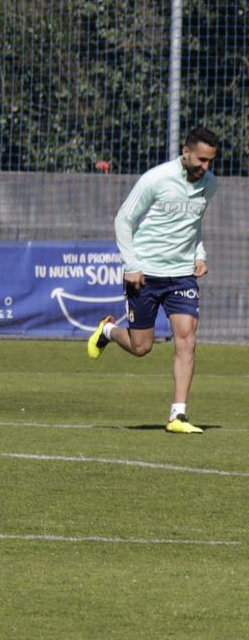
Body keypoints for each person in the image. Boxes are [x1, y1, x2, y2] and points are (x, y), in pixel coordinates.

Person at [87, 126, 220, 434]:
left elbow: (194, 224)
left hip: (182, 275)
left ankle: (178, 416)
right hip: (145, 274)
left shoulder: (210, 184)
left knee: (186, 338)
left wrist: (199, 253)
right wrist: (131, 265)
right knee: (141, 347)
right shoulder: (156, 179)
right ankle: (107, 330)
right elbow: (124, 219)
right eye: (201, 160)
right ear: (185, 152)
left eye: (211, 161)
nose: (206, 167)